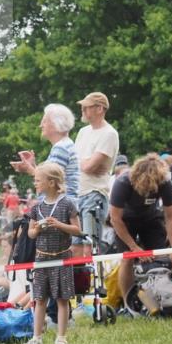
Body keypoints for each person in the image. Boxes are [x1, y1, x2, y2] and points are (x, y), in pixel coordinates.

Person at [22, 162, 79, 344]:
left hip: (61, 257)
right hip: (41, 258)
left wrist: (59, 225)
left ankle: (61, 337)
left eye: (38, 180)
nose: (35, 183)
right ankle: (36, 337)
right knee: (39, 299)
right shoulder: (36, 208)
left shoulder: (68, 204)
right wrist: (37, 228)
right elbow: (30, 233)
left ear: (52, 183)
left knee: (62, 299)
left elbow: (77, 230)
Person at [108, 154, 172, 302]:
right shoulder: (122, 183)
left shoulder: (165, 183)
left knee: (161, 257)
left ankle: (163, 297)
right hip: (125, 220)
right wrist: (135, 248)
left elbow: (170, 217)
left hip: (150, 218)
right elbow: (115, 219)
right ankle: (128, 302)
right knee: (127, 259)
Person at [73, 92, 119, 260]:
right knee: (76, 246)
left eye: (87, 107)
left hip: (94, 195)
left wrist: (84, 164)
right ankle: (80, 284)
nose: (83, 110)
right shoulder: (83, 132)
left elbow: (89, 166)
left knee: (90, 246)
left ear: (100, 109)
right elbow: (81, 164)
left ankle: (96, 284)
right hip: (78, 195)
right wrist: (85, 163)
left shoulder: (109, 134)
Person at [11, 104, 80, 200]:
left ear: (57, 124)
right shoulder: (65, 145)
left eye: (44, 121)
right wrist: (33, 166)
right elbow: (51, 176)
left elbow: (49, 180)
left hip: (60, 208)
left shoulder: (61, 148)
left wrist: (29, 169)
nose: (40, 125)